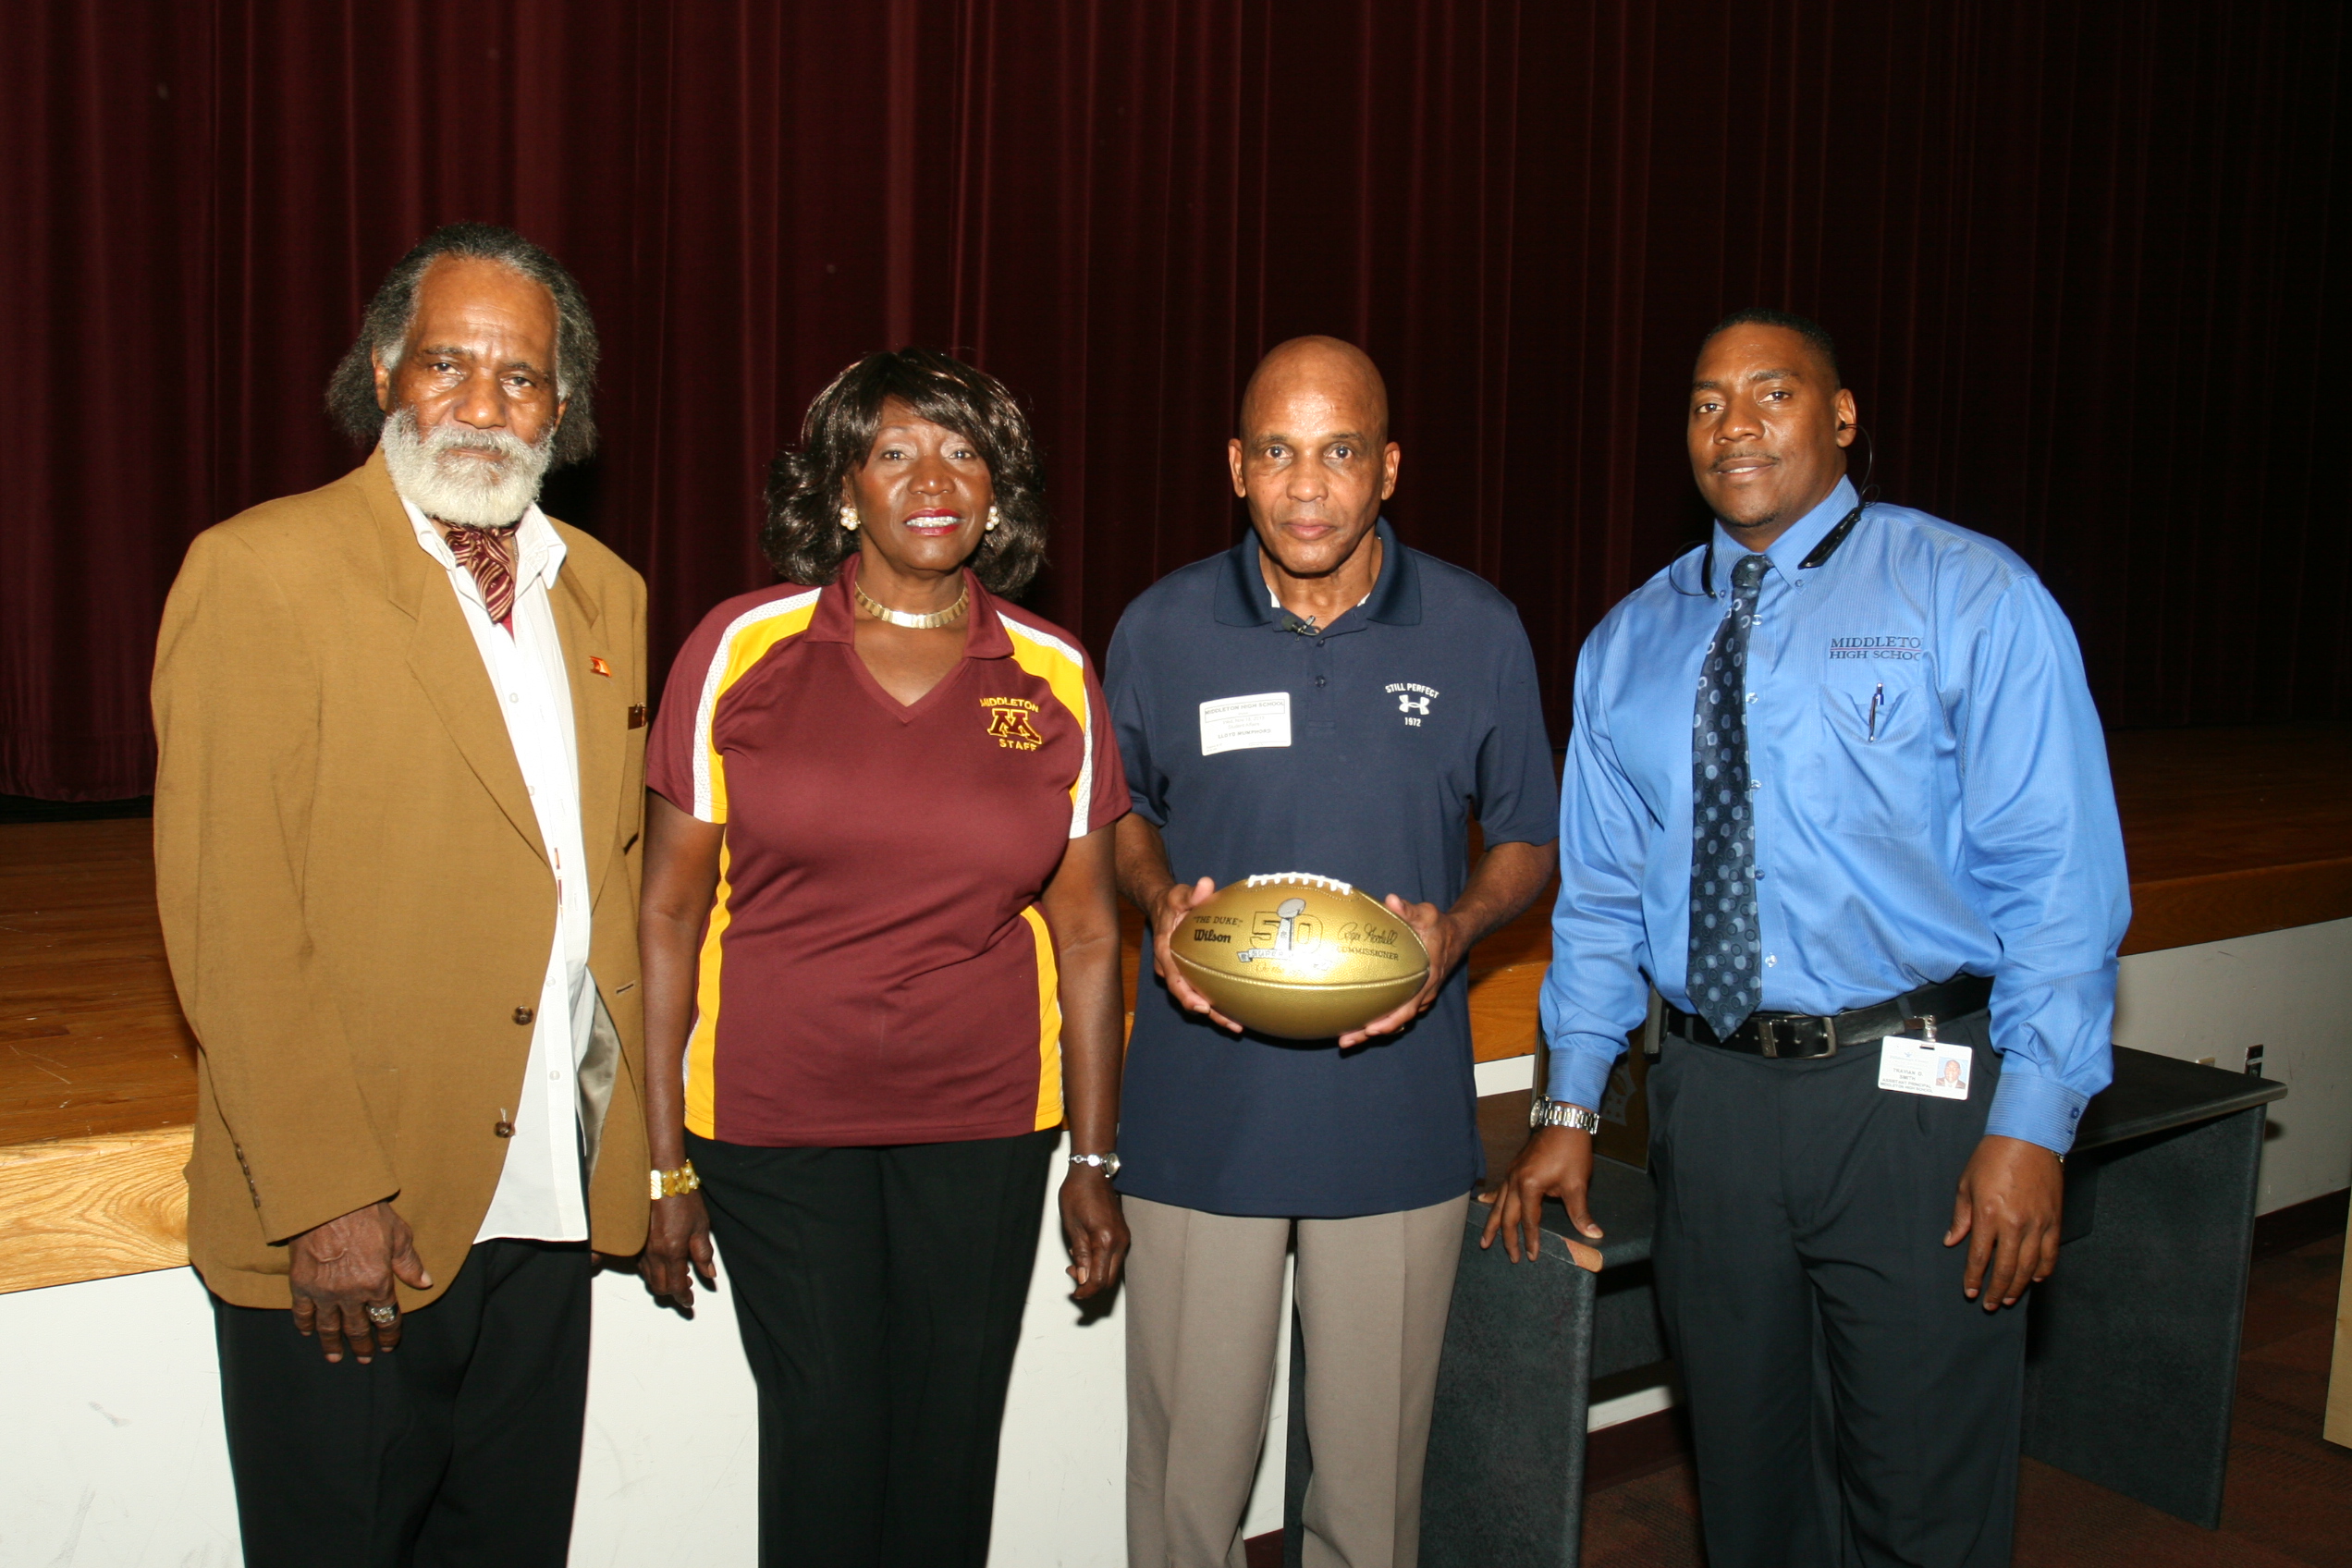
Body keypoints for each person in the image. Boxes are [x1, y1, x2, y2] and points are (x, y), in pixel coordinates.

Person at [1485, 308, 2129, 1566]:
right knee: (1747, 1468)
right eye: (1706, 401)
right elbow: (1604, 901)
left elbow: (2060, 878)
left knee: (1920, 1482)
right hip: (1712, 1104)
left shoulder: (1970, 595)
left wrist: (2032, 1123)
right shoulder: (1631, 642)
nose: (1734, 426)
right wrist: (1568, 1111)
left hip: (1915, 1096)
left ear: (1841, 418)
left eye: (1771, 395)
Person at [153, 223, 650, 1567]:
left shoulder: (604, 596)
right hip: (357, 1232)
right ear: (384, 373)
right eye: (449, 364)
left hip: (544, 1201)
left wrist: (645, 1155)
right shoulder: (261, 573)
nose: (484, 407)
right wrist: (325, 1199)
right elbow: (231, 916)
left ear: (565, 406)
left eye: (524, 379)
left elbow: (604, 902)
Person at [634, 348, 1131, 1568]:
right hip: (773, 1122)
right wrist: (658, 1165)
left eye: (964, 451)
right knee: (829, 1432)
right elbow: (664, 916)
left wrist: (1095, 1154)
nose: (934, 477)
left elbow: (1087, 931)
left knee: (950, 1439)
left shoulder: (1054, 672)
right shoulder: (738, 649)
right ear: (842, 489)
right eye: (895, 449)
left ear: (997, 491)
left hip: (985, 1120)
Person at [1108, 337, 1560, 1568]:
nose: (1309, 487)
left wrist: (1456, 927)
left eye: (1341, 451)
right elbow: (1119, 815)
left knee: (1371, 1504)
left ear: (1389, 467)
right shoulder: (1159, 629)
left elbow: (1527, 840)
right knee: (1185, 1496)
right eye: (1279, 453)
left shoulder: (1478, 628)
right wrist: (1157, 899)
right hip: (1204, 1112)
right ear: (1237, 469)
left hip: (1397, 1115)